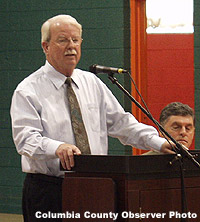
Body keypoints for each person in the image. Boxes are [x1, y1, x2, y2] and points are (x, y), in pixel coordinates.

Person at [10, 14, 174, 221]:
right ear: (46, 46)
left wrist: (159, 143)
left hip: (96, 186)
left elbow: (122, 123)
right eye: (63, 40)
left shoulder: (92, 83)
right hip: (50, 189)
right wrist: (57, 147)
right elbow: (25, 140)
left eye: (75, 40)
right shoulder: (28, 90)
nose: (71, 46)